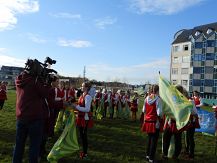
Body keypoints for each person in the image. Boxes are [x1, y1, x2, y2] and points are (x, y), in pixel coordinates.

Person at [12, 70, 49, 163]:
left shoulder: (18, 79)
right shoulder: (35, 81)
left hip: (21, 117)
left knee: (19, 144)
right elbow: (44, 93)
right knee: (34, 146)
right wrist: (47, 82)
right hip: (35, 118)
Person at [71, 82, 93, 160]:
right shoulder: (82, 95)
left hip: (85, 119)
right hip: (80, 118)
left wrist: (76, 106)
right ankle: (83, 152)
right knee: (81, 136)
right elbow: (80, 105)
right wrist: (74, 104)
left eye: (83, 86)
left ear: (87, 88)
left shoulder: (88, 97)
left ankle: (85, 154)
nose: (81, 87)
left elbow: (87, 109)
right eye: (82, 86)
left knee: (83, 136)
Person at [141, 85, 163, 163]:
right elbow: (159, 113)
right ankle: (151, 158)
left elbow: (144, 110)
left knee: (149, 139)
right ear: (158, 90)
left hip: (147, 121)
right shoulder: (158, 99)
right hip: (154, 122)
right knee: (154, 141)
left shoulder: (147, 98)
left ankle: (148, 155)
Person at [162, 85, 184, 160]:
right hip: (171, 122)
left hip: (176, 123)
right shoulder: (174, 98)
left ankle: (174, 155)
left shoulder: (182, 99)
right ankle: (168, 155)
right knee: (168, 138)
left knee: (176, 140)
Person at [183, 89, 200, 160]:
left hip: (191, 122)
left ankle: (191, 154)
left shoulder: (190, 101)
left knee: (190, 138)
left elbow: (194, 112)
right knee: (187, 137)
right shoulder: (184, 101)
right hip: (187, 122)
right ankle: (187, 151)